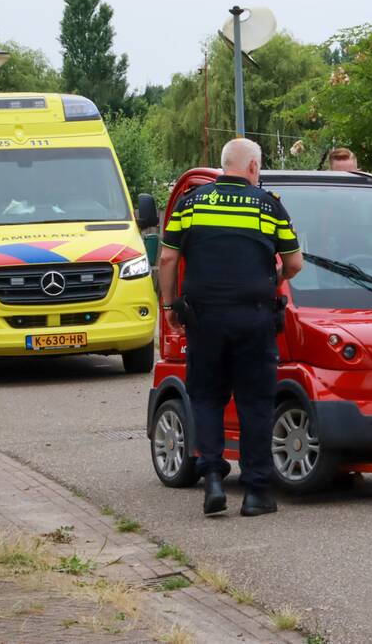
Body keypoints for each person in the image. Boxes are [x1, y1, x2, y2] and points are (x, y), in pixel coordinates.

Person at [159, 138, 304, 516]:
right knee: (255, 402)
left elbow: (167, 257)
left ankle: (212, 480)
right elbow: (295, 262)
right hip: (254, 317)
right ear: (254, 167)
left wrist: (171, 304)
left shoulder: (190, 204)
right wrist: (274, 274)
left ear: (224, 166)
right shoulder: (268, 205)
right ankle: (256, 492)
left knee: (206, 397)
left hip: (204, 317)